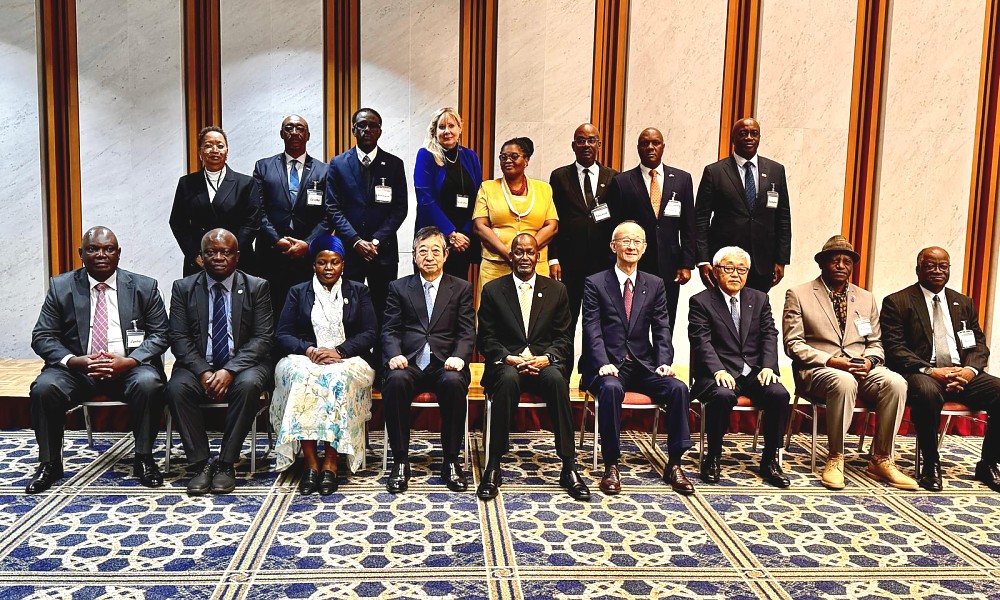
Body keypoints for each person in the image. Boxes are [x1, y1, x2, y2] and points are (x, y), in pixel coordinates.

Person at [26, 226, 169, 493]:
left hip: (128, 368)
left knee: (149, 383)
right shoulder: (62, 286)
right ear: (82, 253)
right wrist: (73, 361)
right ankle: (50, 463)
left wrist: (131, 360)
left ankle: (144, 458)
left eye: (108, 249)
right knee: (44, 388)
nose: (101, 254)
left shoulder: (144, 287)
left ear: (118, 254)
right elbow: (42, 336)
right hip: (79, 370)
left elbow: (161, 334)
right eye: (93, 249)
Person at [782, 235, 916, 490]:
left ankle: (881, 458)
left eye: (847, 261)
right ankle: (835, 457)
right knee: (843, 382)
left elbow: (876, 341)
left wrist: (870, 361)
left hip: (861, 368)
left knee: (896, 382)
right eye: (835, 261)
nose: (842, 265)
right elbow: (794, 344)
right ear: (822, 264)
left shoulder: (866, 298)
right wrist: (832, 361)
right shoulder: (798, 294)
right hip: (819, 370)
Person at [582, 221, 693, 495]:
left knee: (678, 389)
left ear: (644, 248)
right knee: (609, 389)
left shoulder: (654, 284)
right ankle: (611, 465)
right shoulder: (595, 283)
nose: (631, 246)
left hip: (644, 364)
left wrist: (665, 360)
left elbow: (662, 327)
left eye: (637, 242)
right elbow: (591, 327)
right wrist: (601, 362)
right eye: (625, 241)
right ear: (613, 246)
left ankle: (675, 463)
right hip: (607, 365)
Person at [476, 233, 589, 501]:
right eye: (519, 252)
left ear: (538, 256)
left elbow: (564, 337)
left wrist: (547, 358)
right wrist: (507, 357)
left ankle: (568, 465)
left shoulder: (557, 291)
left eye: (530, 252)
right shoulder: (493, 289)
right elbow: (486, 338)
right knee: (506, 380)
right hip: (508, 365)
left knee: (557, 380)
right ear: (511, 256)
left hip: (542, 363)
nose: (524, 257)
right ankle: (494, 465)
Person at [881, 247, 1000, 492]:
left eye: (943, 266)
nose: (937, 271)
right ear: (918, 269)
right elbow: (895, 349)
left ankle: (988, 463)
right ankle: (930, 465)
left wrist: (969, 371)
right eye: (930, 266)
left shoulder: (963, 302)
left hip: (961, 372)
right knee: (927, 393)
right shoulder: (898, 301)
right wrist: (932, 371)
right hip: (922, 373)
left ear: (948, 270)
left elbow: (978, 344)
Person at [165, 229, 274, 496]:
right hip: (198, 365)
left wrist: (229, 370)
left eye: (226, 252)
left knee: (248, 386)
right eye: (211, 252)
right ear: (200, 257)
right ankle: (201, 464)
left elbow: (263, 338)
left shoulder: (256, 286)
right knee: (176, 388)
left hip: (244, 366)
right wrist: (203, 372)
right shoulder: (184, 288)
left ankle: (226, 463)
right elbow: (178, 337)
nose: (218, 258)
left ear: (237, 256)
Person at [270, 234, 377, 495]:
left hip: (348, 359)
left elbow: (370, 332)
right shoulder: (298, 292)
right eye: (322, 262)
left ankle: (330, 463)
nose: (328, 268)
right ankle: (310, 463)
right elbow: (282, 334)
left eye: (334, 262)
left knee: (336, 380)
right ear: (313, 265)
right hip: (305, 357)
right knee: (302, 378)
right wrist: (308, 350)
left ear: (343, 265)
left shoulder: (358, 291)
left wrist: (340, 351)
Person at [381, 226, 476, 494]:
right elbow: (388, 330)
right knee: (395, 381)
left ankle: (451, 461)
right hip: (409, 362)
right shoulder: (399, 288)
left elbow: (467, 331)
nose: (429, 256)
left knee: (454, 383)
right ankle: (400, 461)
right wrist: (394, 354)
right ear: (414, 256)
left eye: (436, 251)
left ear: (446, 255)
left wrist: (459, 357)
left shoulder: (461, 288)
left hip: (445, 362)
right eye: (423, 251)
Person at [689, 246, 790, 488]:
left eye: (742, 269)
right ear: (714, 272)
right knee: (722, 395)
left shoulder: (759, 299)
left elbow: (769, 335)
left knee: (779, 393)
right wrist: (718, 371)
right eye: (729, 268)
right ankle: (713, 456)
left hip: (753, 371)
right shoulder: (701, 302)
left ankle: (770, 460)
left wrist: (768, 366)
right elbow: (701, 342)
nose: (736, 274)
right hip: (717, 373)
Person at [606, 128, 695, 334]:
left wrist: (686, 263)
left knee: (666, 319)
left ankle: (663, 362)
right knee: (634, 318)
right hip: (635, 263)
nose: (650, 148)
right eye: (645, 144)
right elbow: (615, 227)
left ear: (663, 146)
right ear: (638, 148)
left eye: (655, 143)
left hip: (670, 265)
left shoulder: (682, 179)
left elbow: (689, 226)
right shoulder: (622, 181)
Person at [325, 108, 407, 320]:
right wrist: (356, 241)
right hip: (351, 252)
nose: (367, 129)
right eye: (362, 125)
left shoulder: (394, 164)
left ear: (380, 131)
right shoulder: (338, 164)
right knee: (350, 309)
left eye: (373, 126)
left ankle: (382, 353)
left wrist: (376, 241)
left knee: (384, 309)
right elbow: (333, 207)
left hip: (384, 252)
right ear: (353, 129)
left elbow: (400, 209)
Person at [695, 117, 791, 293]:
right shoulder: (714, 172)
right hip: (725, 262)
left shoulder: (776, 171)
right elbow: (700, 220)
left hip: (763, 262)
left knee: (756, 314)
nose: (749, 137)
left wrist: (781, 259)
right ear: (733, 138)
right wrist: (703, 260)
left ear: (759, 138)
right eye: (743, 133)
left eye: (754, 133)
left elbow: (783, 218)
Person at [549, 123, 617, 362]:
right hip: (569, 264)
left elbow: (615, 221)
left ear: (599, 145)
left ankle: (592, 371)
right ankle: (561, 374)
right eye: (580, 140)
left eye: (591, 140)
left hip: (602, 264)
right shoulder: (559, 176)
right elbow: (553, 219)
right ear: (573, 145)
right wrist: (553, 257)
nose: (586, 145)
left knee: (598, 321)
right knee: (566, 322)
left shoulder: (613, 177)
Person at [253, 114, 330, 316]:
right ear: (281, 134)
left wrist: (308, 243)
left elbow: (328, 215)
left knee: (305, 311)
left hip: (307, 256)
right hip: (271, 253)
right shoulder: (263, 167)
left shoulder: (324, 171)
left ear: (308, 135)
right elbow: (258, 210)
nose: (294, 132)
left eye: (299, 128)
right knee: (269, 311)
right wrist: (278, 240)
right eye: (288, 128)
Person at [472, 137, 559, 295]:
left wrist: (526, 252)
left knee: (534, 315)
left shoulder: (544, 189)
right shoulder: (488, 187)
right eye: (503, 157)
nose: (507, 161)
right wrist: (509, 254)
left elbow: (552, 226)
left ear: (526, 160)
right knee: (492, 315)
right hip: (495, 265)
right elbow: (480, 226)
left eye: (514, 156)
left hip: (534, 265)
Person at [170, 126, 260, 277]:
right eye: (208, 145)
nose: (214, 150)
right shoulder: (187, 183)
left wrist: (231, 254)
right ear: (200, 153)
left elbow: (252, 223)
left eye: (220, 145)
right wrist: (194, 255)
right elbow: (177, 222)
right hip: (200, 261)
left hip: (238, 260)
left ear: (227, 151)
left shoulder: (245, 183)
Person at [414, 108, 483, 280]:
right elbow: (425, 199)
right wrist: (450, 234)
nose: (447, 131)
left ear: (460, 129)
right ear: (434, 131)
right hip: (433, 237)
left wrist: (464, 234)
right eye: (442, 127)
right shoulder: (426, 155)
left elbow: (477, 198)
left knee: (457, 292)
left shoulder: (470, 157)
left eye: (451, 126)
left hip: (463, 241)